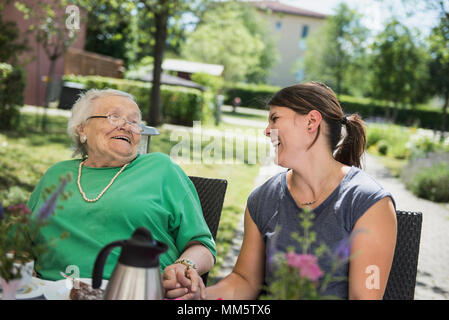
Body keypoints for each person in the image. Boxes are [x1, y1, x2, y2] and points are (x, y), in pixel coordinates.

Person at [202, 82, 397, 300]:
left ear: (311, 121)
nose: (267, 131)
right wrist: (198, 297)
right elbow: (244, 281)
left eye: (274, 119)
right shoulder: (262, 199)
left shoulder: (369, 203)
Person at [27, 89, 215, 299]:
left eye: (134, 122)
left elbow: (203, 246)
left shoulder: (160, 169)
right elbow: (21, 240)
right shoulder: (57, 174)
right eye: (114, 116)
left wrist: (184, 266)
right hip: (51, 292)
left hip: (135, 292)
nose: (126, 126)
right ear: (82, 128)